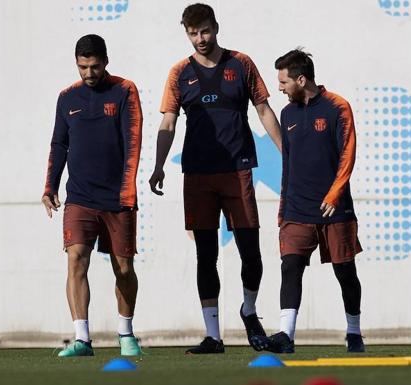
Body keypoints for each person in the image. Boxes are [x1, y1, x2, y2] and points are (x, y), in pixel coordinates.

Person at [149, 3, 282, 354]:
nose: (200, 38)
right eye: (193, 33)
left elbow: (264, 110)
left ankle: (249, 311)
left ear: (216, 27)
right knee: (205, 256)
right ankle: (213, 335)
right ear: (186, 34)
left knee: (251, 253)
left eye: (205, 31)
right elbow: (168, 123)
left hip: (237, 170)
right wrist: (159, 164)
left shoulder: (241, 64)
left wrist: (288, 154)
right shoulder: (179, 72)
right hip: (197, 175)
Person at [250, 48, 364, 353]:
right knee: (291, 267)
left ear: (301, 79)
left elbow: (347, 154)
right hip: (297, 210)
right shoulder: (287, 114)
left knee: (346, 273)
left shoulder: (338, 107)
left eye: (284, 82)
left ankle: (354, 332)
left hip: (335, 209)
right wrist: (283, 208)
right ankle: (286, 336)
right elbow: (289, 163)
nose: (279, 88)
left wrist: (334, 193)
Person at [42, 34, 143, 357]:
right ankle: (82, 339)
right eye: (83, 66)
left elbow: (134, 140)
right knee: (75, 259)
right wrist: (50, 186)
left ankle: (125, 333)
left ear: (106, 61)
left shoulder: (124, 90)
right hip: (80, 197)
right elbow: (59, 144)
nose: (89, 73)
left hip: (117, 197)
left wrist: (128, 188)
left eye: (95, 66)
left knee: (123, 268)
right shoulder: (66, 98)